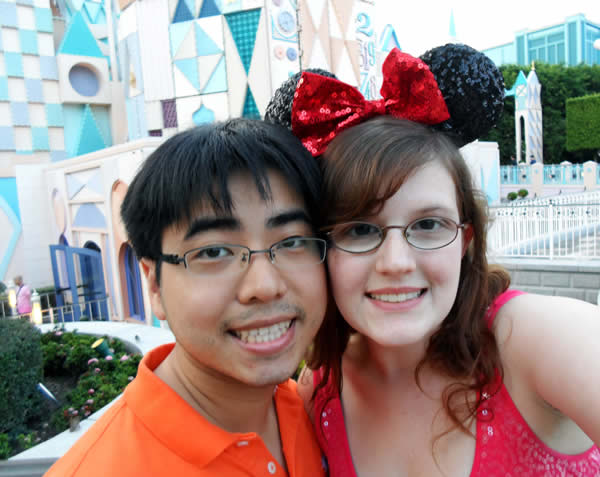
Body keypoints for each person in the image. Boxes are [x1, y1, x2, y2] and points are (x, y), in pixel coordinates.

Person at [266, 45, 600, 476]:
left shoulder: (538, 338)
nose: (396, 263)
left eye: (428, 225)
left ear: (464, 240)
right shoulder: (320, 392)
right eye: (360, 230)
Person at [45, 119, 329, 476]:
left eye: (292, 242)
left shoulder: (313, 413)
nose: (265, 285)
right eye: (213, 252)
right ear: (154, 285)